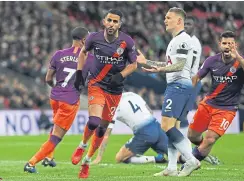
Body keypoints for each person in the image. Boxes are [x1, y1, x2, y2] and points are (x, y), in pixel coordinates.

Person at [72, 9, 137, 179]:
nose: (112, 24)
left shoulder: (127, 42)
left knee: (102, 128)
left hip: (115, 90)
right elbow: (83, 53)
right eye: (109, 20)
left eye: (115, 22)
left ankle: (86, 162)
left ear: (119, 25)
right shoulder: (94, 38)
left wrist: (121, 75)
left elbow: (134, 65)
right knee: (94, 121)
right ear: (104, 21)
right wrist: (79, 74)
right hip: (97, 84)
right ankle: (82, 145)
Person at [136, 7, 200, 177]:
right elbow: (168, 64)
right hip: (179, 85)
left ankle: (190, 159)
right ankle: (171, 167)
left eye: (168, 17)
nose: (165, 20)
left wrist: (157, 70)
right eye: (165, 17)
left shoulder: (182, 40)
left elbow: (178, 65)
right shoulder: (176, 40)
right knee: (173, 127)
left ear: (179, 21)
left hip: (178, 85)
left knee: (166, 126)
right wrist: (146, 62)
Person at [24, 27, 91, 173]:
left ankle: (49, 157)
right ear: (84, 40)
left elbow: (48, 78)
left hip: (55, 97)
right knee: (56, 137)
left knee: (55, 128)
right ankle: (31, 163)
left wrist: (56, 87)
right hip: (70, 100)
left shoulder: (59, 54)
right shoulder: (88, 57)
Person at [188, 31, 244, 164]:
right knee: (192, 136)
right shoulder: (211, 61)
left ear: (235, 45)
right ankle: (204, 152)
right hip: (208, 104)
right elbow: (197, 77)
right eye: (224, 43)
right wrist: (189, 88)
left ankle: (187, 162)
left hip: (227, 108)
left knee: (210, 139)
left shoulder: (242, 61)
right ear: (220, 44)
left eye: (230, 43)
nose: (227, 46)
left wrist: (239, 58)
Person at [91, 92, 168, 165]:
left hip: (144, 132)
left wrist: (99, 157)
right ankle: (178, 159)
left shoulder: (112, 105)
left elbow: (106, 135)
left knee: (119, 158)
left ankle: (156, 159)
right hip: (156, 126)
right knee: (176, 155)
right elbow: (150, 111)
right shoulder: (131, 94)